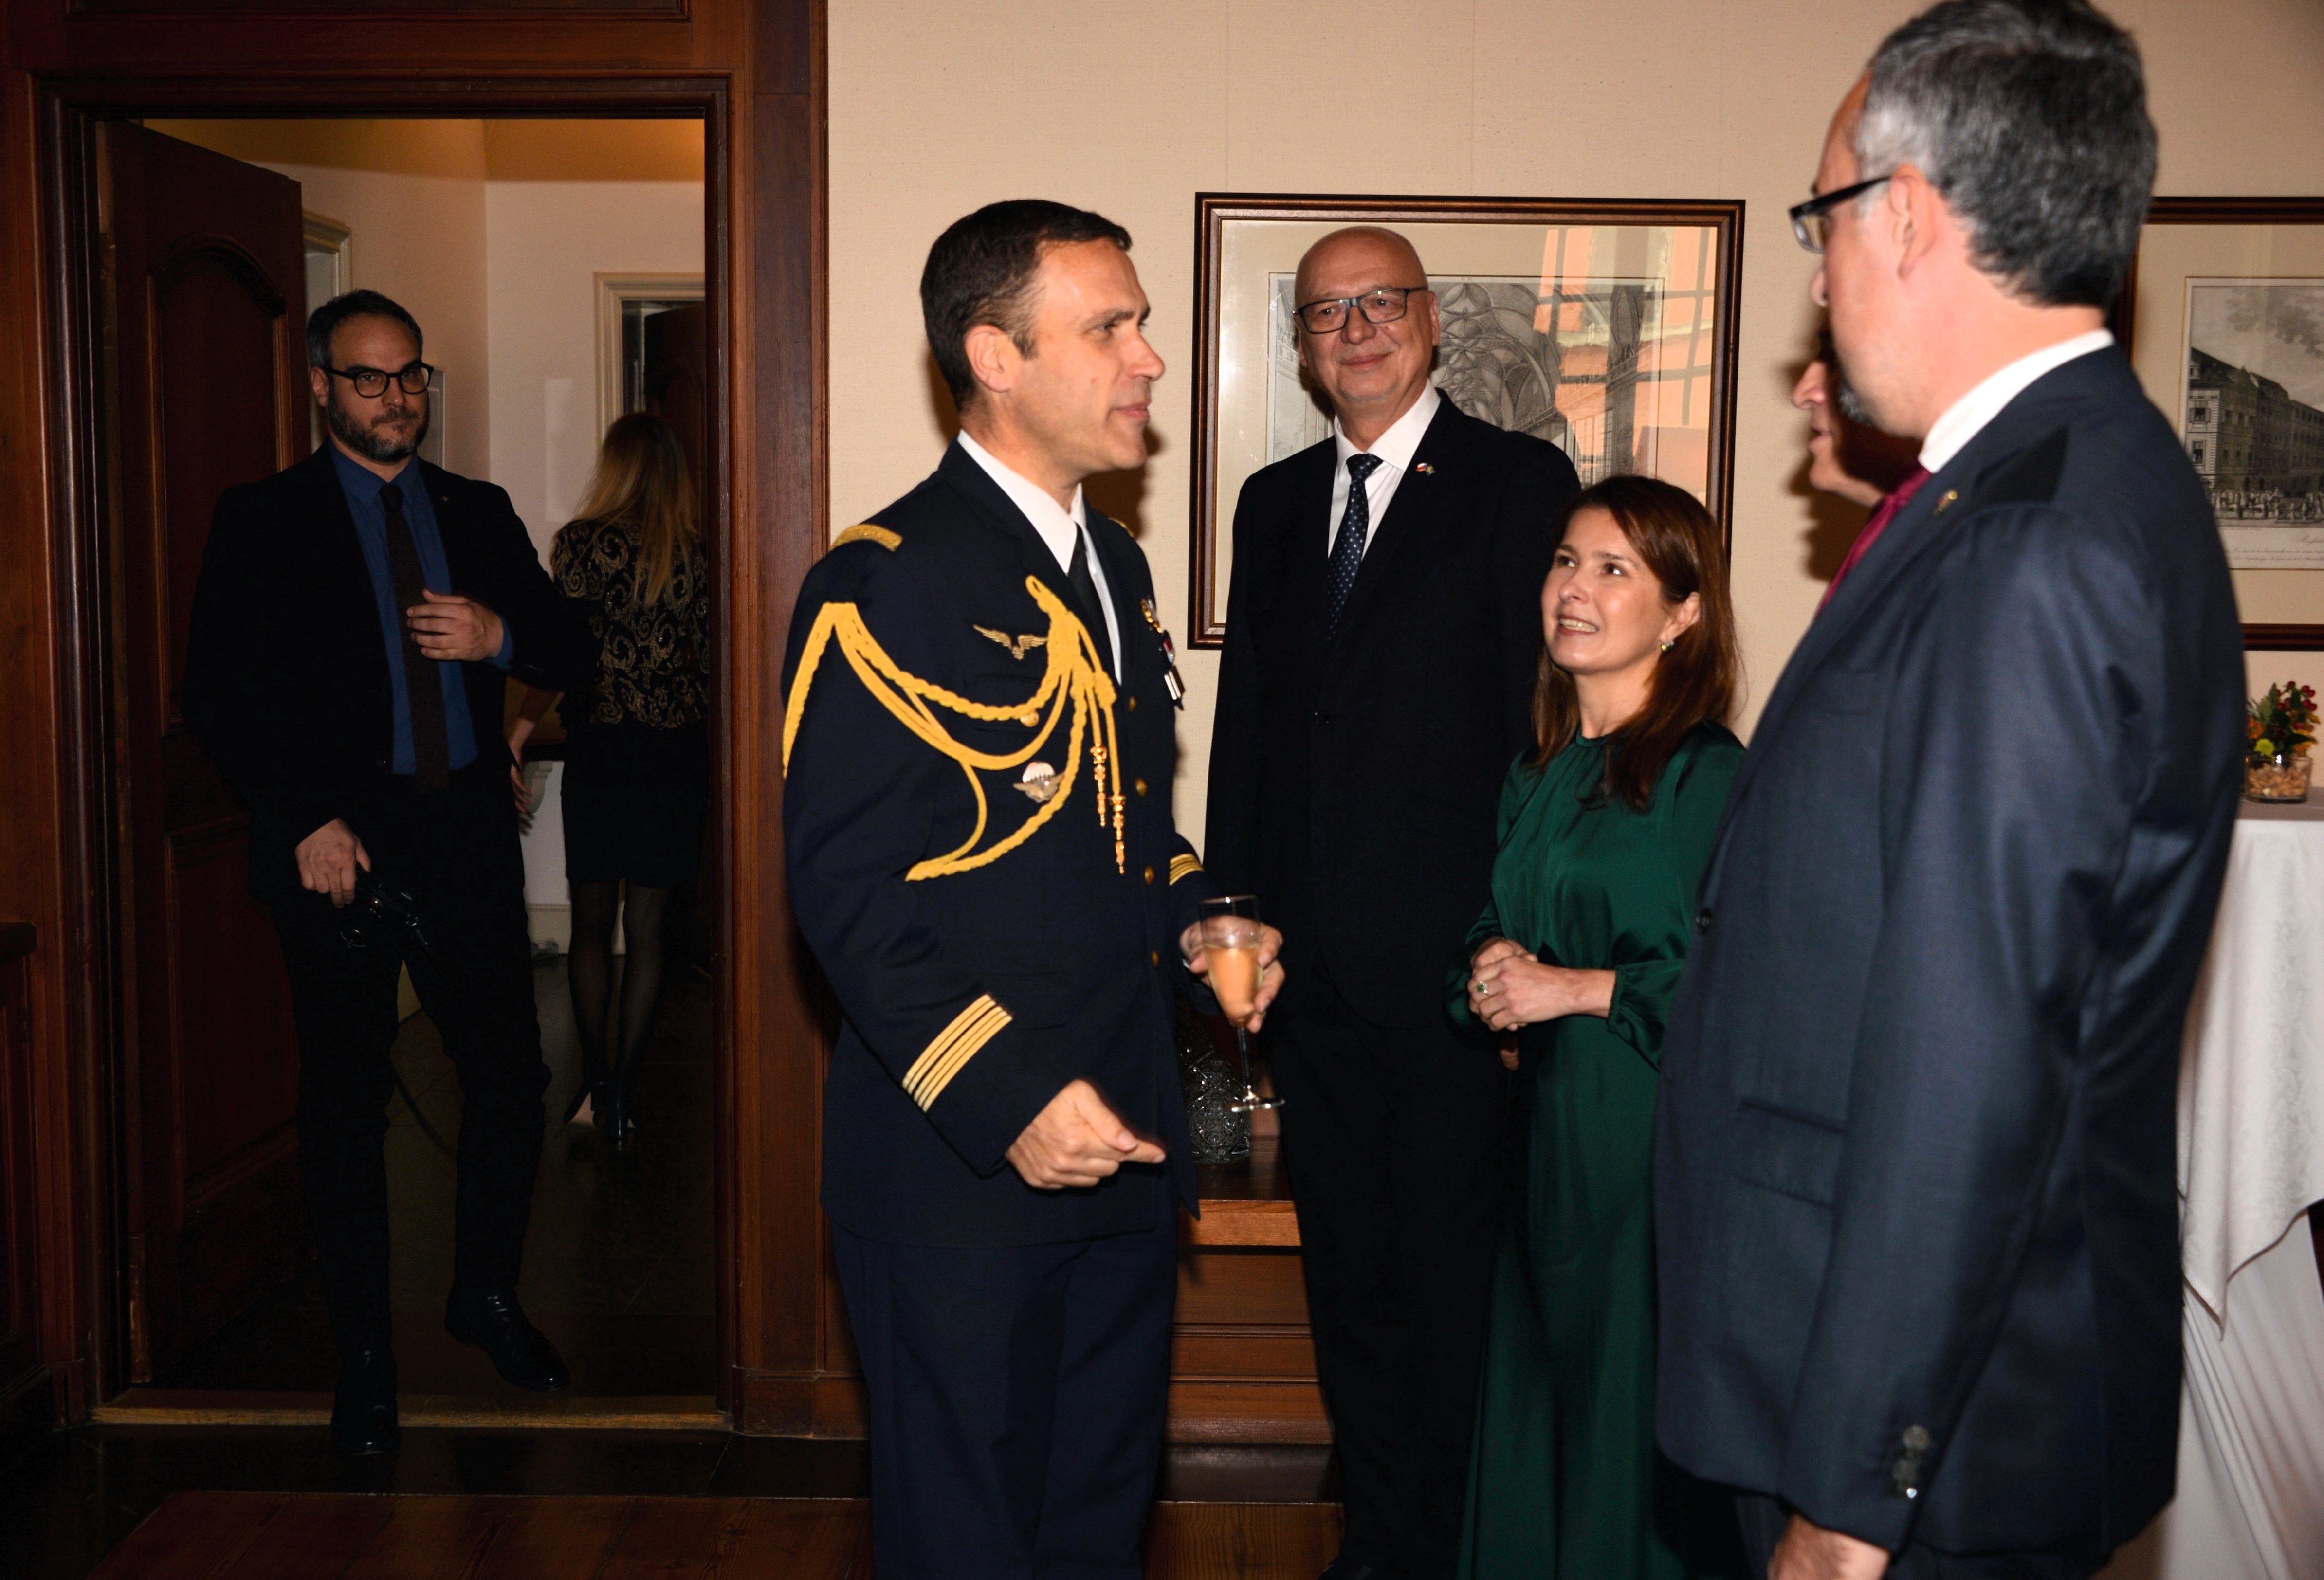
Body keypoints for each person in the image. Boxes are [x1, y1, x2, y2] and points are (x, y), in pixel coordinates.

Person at [1653, 4, 2246, 1578]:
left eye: (1822, 219)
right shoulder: (2034, 484)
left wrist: (1853, 1495)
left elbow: (1970, 1055)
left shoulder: (2035, 539)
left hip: (1923, 1444)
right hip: (1889, 1375)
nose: (1817, 276)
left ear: (1905, 214)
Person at [781, 200, 1281, 1580]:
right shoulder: (882, 584)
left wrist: (1202, 918)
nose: (1149, 359)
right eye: (1109, 328)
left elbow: (1124, 830)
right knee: (967, 1539)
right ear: (996, 357)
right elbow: (846, 894)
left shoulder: (1113, 564)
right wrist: (1008, 1101)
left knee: (1095, 1524)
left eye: (1141, 325)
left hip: (1126, 1139)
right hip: (962, 1167)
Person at [1207, 224, 1580, 1580]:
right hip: (1310, 983)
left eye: (1382, 304)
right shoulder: (1271, 503)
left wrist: (1520, 940)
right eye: (1328, 313)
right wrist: (1233, 915)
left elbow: (1543, 732)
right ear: (1304, 349)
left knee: (1453, 1291)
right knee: (1352, 1290)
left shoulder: (1516, 483)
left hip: (1457, 982)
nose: (1357, 330)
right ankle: (1380, 1543)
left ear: (1430, 322)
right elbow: (1251, 726)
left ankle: (1461, 1554)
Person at [182, 289, 597, 1455]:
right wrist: (303, 816)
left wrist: (500, 640)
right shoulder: (263, 517)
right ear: (322, 385)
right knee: (347, 1104)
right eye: (369, 377)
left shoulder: (476, 509)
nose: (396, 397)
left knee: (511, 1079)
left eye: (411, 375)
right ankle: (365, 1356)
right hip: (336, 849)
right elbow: (218, 691)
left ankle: (486, 1295)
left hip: (463, 835)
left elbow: (572, 646)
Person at [1454, 475, 1746, 1580]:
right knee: (1546, 1427)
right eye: (1567, 561)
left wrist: (1578, 991)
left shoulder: (1707, 775)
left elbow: (1747, 990)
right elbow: (1500, 930)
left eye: (1614, 569)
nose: (1574, 589)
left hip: (1646, 1163)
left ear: (1683, 613)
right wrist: (1487, 971)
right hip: (1544, 1158)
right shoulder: (1539, 768)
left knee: (1625, 1435)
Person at [510, 413, 710, 1149]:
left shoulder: (580, 546)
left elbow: (559, 656)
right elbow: (710, 665)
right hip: (675, 754)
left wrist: (519, 734)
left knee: (591, 921)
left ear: (615, 467)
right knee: (649, 929)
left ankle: (594, 1087)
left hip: (602, 751)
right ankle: (624, 1090)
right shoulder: (698, 555)